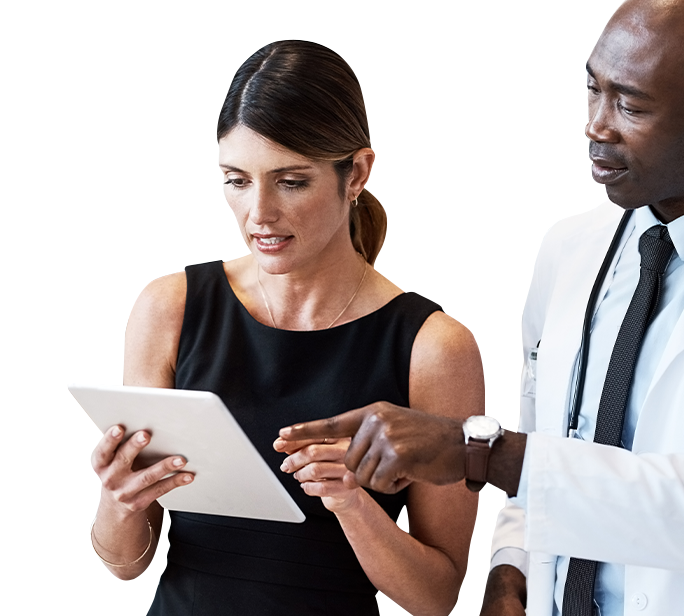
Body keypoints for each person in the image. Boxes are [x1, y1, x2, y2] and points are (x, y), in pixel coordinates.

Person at [276, 0, 684, 616]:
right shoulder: (573, 246)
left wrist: (475, 449)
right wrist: (512, 567)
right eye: (593, 90)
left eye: (631, 105)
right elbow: (555, 442)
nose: (596, 126)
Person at [89, 39, 486, 616]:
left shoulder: (433, 348)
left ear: (357, 173)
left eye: (291, 181)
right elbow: (126, 566)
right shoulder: (168, 310)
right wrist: (118, 500)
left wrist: (351, 502)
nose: (259, 213)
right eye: (236, 179)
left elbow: (435, 598)